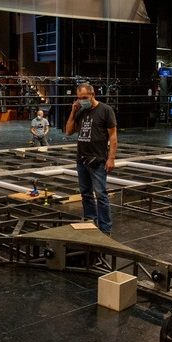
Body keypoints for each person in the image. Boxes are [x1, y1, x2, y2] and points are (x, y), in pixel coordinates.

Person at [65, 83, 118, 234]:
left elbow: (113, 136)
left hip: (98, 159)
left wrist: (111, 158)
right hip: (81, 159)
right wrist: (73, 111)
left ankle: (105, 228)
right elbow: (69, 131)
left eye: (84, 97)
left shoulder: (105, 110)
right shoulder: (80, 110)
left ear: (92, 94)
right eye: (79, 98)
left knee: (100, 194)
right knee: (86, 193)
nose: (81, 100)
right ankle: (90, 221)